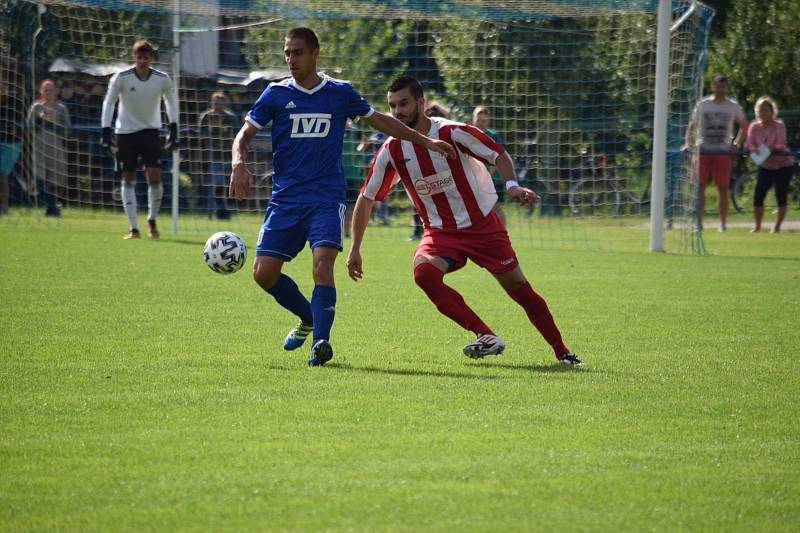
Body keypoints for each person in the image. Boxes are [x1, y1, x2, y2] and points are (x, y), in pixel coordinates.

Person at [228, 28, 455, 367]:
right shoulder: (275, 95)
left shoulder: (339, 93)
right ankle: (308, 318)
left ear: (315, 53)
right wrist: (239, 164)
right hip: (285, 200)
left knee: (322, 266)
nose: (291, 60)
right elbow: (244, 135)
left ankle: (321, 342)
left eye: (298, 52)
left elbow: (381, 121)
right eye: (288, 53)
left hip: (325, 198)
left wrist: (425, 141)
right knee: (263, 274)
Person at [346, 76, 582, 366]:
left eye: (404, 104)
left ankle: (563, 352)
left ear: (421, 103)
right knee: (423, 274)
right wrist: (355, 247)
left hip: (483, 227)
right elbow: (367, 197)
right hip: (440, 233)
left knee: (520, 291)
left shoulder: (453, 133)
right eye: (392, 106)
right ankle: (486, 335)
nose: (397, 112)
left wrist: (511, 186)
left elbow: (498, 154)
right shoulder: (392, 149)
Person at [101, 39, 178, 239]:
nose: (142, 61)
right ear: (134, 58)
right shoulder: (121, 77)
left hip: (150, 131)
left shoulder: (162, 79)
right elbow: (109, 103)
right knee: (127, 177)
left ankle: (152, 221)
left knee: (154, 175)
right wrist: (105, 130)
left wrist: (174, 128)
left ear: (151, 58)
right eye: (139, 57)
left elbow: (171, 102)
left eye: (146, 57)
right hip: (125, 133)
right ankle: (133, 227)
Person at [684, 74, 748, 232]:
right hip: (702, 150)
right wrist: (688, 143)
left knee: (722, 188)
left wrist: (737, 143)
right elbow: (692, 126)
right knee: (699, 188)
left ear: (727, 88)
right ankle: (698, 223)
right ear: (713, 86)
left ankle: (723, 224)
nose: (720, 90)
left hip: (722, 152)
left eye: (723, 87)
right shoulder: (703, 104)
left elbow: (744, 125)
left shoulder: (732, 106)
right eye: (718, 86)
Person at [744, 96, 796, 233]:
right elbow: (748, 143)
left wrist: (769, 148)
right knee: (758, 196)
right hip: (766, 166)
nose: (763, 113)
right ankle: (757, 226)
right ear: (757, 112)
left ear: (772, 112)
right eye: (761, 110)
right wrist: (753, 148)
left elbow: (780, 143)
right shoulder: (754, 126)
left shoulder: (779, 125)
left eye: (766, 110)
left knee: (781, 195)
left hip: (783, 165)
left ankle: (777, 227)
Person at [28, 79, 72, 217]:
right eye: (45, 90)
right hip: (39, 146)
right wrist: (39, 120)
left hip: (56, 147)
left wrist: (54, 122)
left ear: (56, 92)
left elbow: (68, 131)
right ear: (41, 91)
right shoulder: (36, 107)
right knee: (40, 178)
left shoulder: (61, 108)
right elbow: (28, 127)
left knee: (55, 180)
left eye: (51, 90)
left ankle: (52, 208)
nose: (48, 92)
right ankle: (52, 207)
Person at [198, 91, 239, 219]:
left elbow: (238, 135)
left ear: (225, 104)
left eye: (221, 103)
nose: (218, 105)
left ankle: (228, 212)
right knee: (215, 185)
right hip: (213, 156)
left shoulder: (231, 117)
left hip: (228, 157)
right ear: (212, 103)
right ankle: (213, 212)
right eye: (216, 102)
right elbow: (201, 135)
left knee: (229, 185)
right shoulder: (206, 116)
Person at [472, 105, 507, 227]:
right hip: (474, 179)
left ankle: (503, 233)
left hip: (493, 179)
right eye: (478, 120)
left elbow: (498, 158)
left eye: (484, 121)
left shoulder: (494, 136)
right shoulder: (469, 134)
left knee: (496, 208)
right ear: (473, 120)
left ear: (489, 121)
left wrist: (487, 176)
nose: (481, 123)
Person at [0, 61, 25, 215]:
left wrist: (15, 129)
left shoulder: (15, 102)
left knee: (2, 174)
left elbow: (21, 125)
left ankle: (5, 207)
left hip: (11, 143)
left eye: (3, 84)